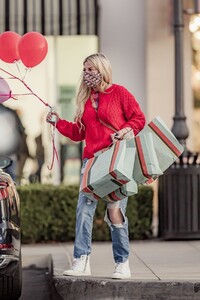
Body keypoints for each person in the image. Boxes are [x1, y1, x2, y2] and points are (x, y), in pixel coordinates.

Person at [46, 53, 145, 279]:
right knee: (84, 211)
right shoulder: (84, 99)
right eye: (85, 69)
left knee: (115, 213)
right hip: (91, 162)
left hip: (115, 162)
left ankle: (122, 263)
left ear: (102, 69)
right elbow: (80, 132)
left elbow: (138, 119)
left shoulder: (119, 92)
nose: (87, 74)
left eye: (91, 69)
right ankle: (81, 261)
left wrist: (124, 131)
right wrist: (58, 122)